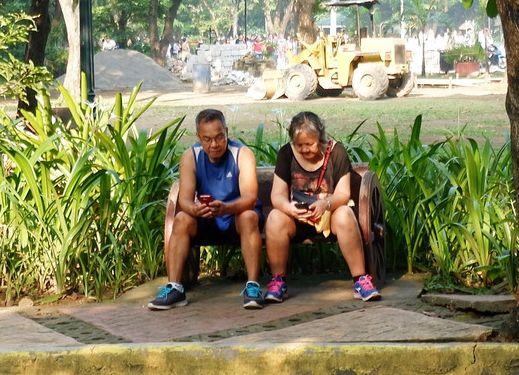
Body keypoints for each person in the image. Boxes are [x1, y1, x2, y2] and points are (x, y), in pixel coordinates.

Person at [148, 108, 264, 311]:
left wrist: (226, 208)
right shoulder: (190, 157)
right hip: (206, 218)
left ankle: (252, 286)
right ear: (198, 137)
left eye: (219, 137)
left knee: (248, 217)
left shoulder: (242, 154)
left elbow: (250, 199)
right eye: (207, 139)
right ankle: (175, 288)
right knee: (183, 219)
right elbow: (184, 199)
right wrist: (195, 209)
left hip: (235, 215)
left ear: (227, 132)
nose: (214, 145)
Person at [262, 111, 381, 303]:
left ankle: (360, 280)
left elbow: (343, 194)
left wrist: (325, 203)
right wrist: (288, 208)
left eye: (309, 144)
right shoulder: (286, 153)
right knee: (275, 216)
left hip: (329, 216)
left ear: (320, 138)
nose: (304, 149)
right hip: (297, 218)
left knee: (344, 214)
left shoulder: (336, 152)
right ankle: (278, 282)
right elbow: (277, 195)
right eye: (299, 145)